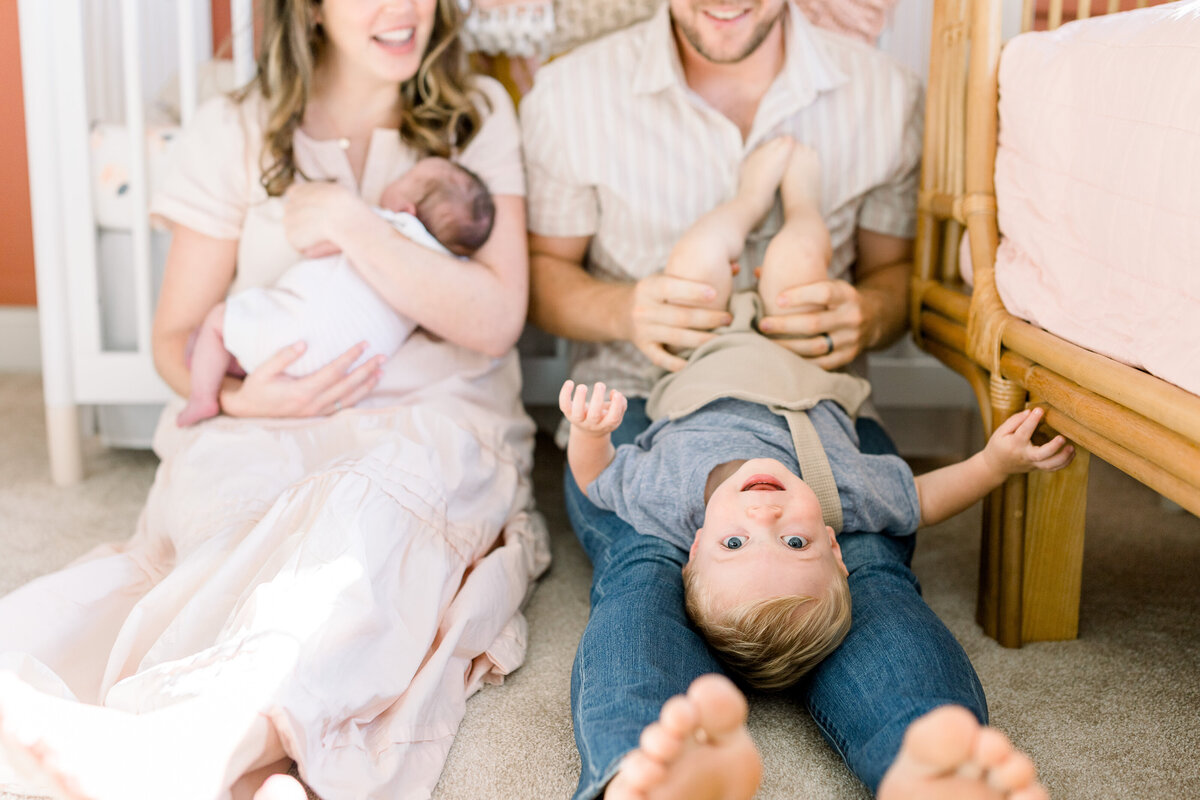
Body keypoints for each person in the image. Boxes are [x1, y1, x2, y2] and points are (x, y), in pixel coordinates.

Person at [0, 2, 546, 799]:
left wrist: (357, 225)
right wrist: (246, 402)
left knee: (354, 544)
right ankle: (224, 752)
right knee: (229, 534)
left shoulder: (474, 115)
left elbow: (495, 320)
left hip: (427, 421)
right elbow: (176, 336)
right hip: (266, 421)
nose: (403, 10)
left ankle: (194, 747)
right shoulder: (237, 127)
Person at [520, 0, 1023, 797]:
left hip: (816, 411)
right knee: (646, 565)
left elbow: (893, 281)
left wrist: (871, 310)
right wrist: (626, 309)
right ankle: (642, 772)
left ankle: (935, 771)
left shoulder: (883, 93)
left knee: (864, 562)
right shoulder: (570, 95)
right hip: (647, 405)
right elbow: (540, 284)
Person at [560, 377, 1071, 690]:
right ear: (834, 545)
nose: (763, 519)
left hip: (706, 357)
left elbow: (598, 479)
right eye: (795, 544)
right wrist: (993, 464)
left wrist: (590, 434)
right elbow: (924, 500)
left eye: (734, 545)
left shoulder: (665, 497)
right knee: (795, 260)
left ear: (692, 547)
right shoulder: (844, 494)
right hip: (798, 363)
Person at [176, 156, 496, 426]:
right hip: (342, 372)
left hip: (294, 340)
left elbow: (315, 246)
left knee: (218, 322)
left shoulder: (381, 222)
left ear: (406, 209)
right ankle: (236, 361)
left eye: (406, 176)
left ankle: (204, 397)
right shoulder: (444, 271)